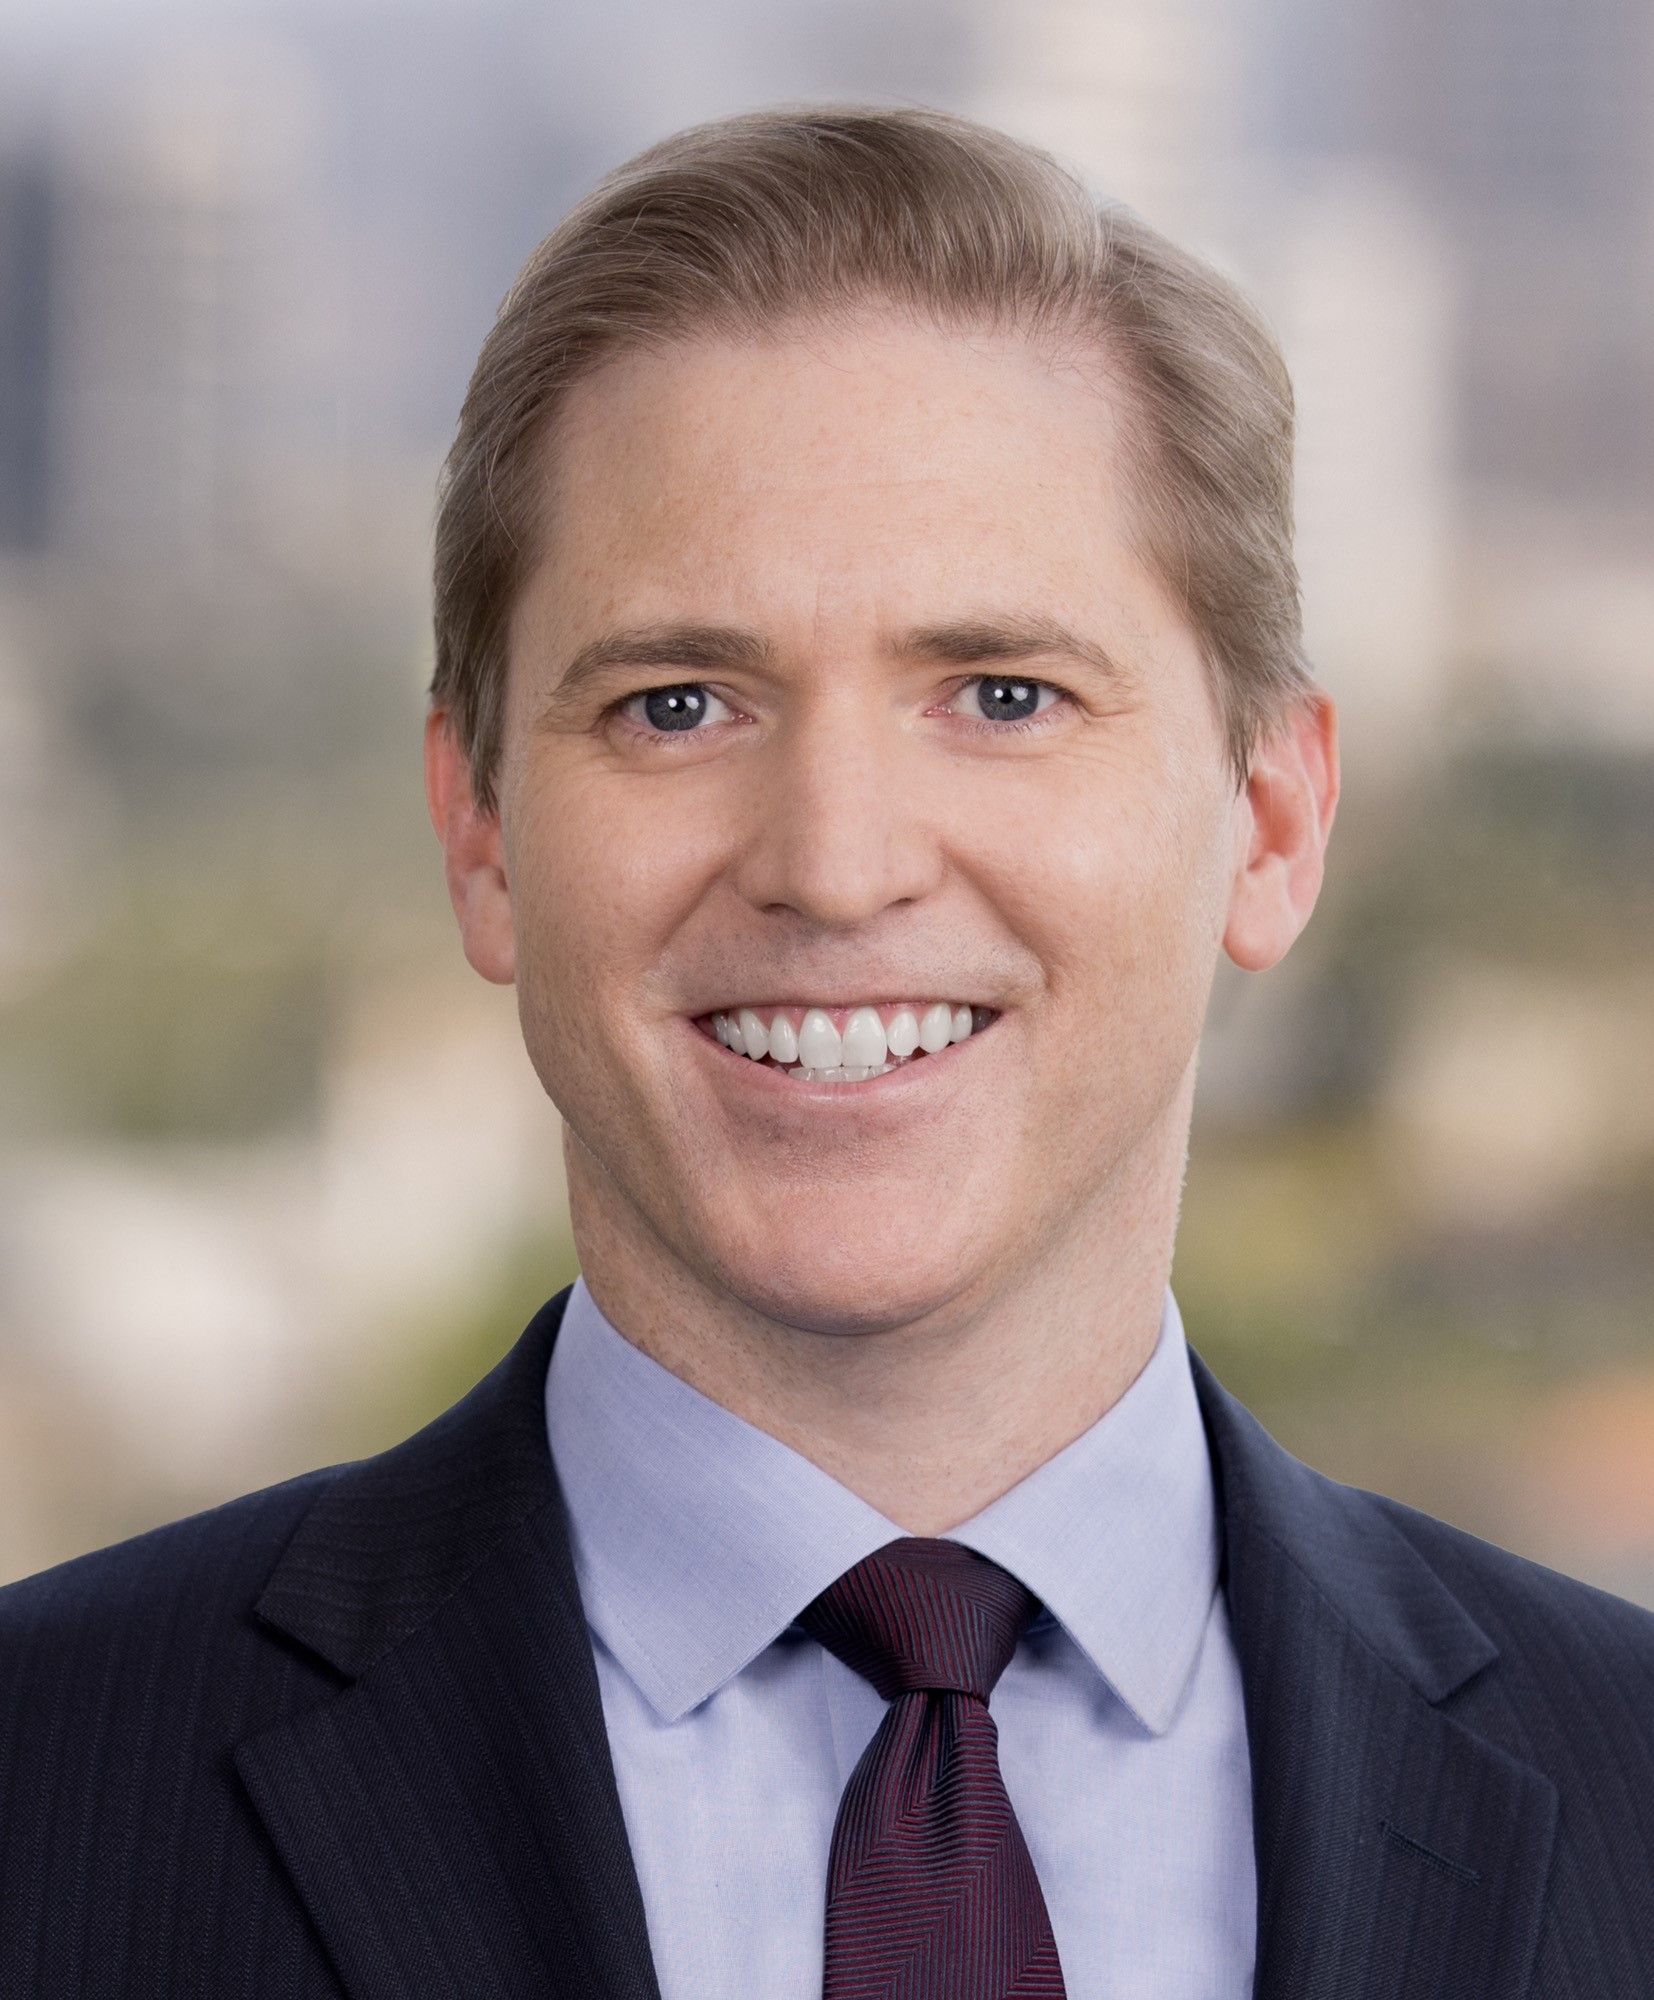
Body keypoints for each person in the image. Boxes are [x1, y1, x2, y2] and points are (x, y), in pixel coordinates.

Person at [1, 104, 1650, 2000]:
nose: (837, 863)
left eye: (1001, 694)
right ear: (480, 832)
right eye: (678, 704)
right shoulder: (40, 1794)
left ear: (1270, 821)